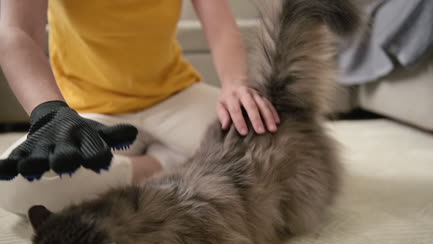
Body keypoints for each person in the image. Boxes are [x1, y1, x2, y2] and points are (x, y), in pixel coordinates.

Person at [0, 0, 280, 216]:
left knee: (279, 150)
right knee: (14, 184)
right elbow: (15, 30)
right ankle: (158, 164)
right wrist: (50, 113)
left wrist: (236, 84)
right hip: (88, 113)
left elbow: (219, 23)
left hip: (175, 98)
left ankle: (152, 162)